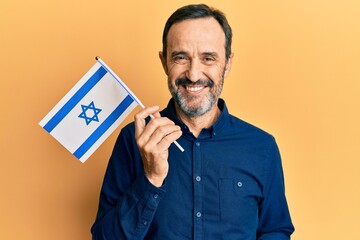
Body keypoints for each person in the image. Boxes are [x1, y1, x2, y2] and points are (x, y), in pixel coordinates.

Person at [91, 4, 294, 240]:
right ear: (164, 62)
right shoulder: (135, 140)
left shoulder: (262, 147)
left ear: (227, 63)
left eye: (208, 58)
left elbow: (275, 230)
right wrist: (151, 179)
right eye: (180, 57)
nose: (194, 74)